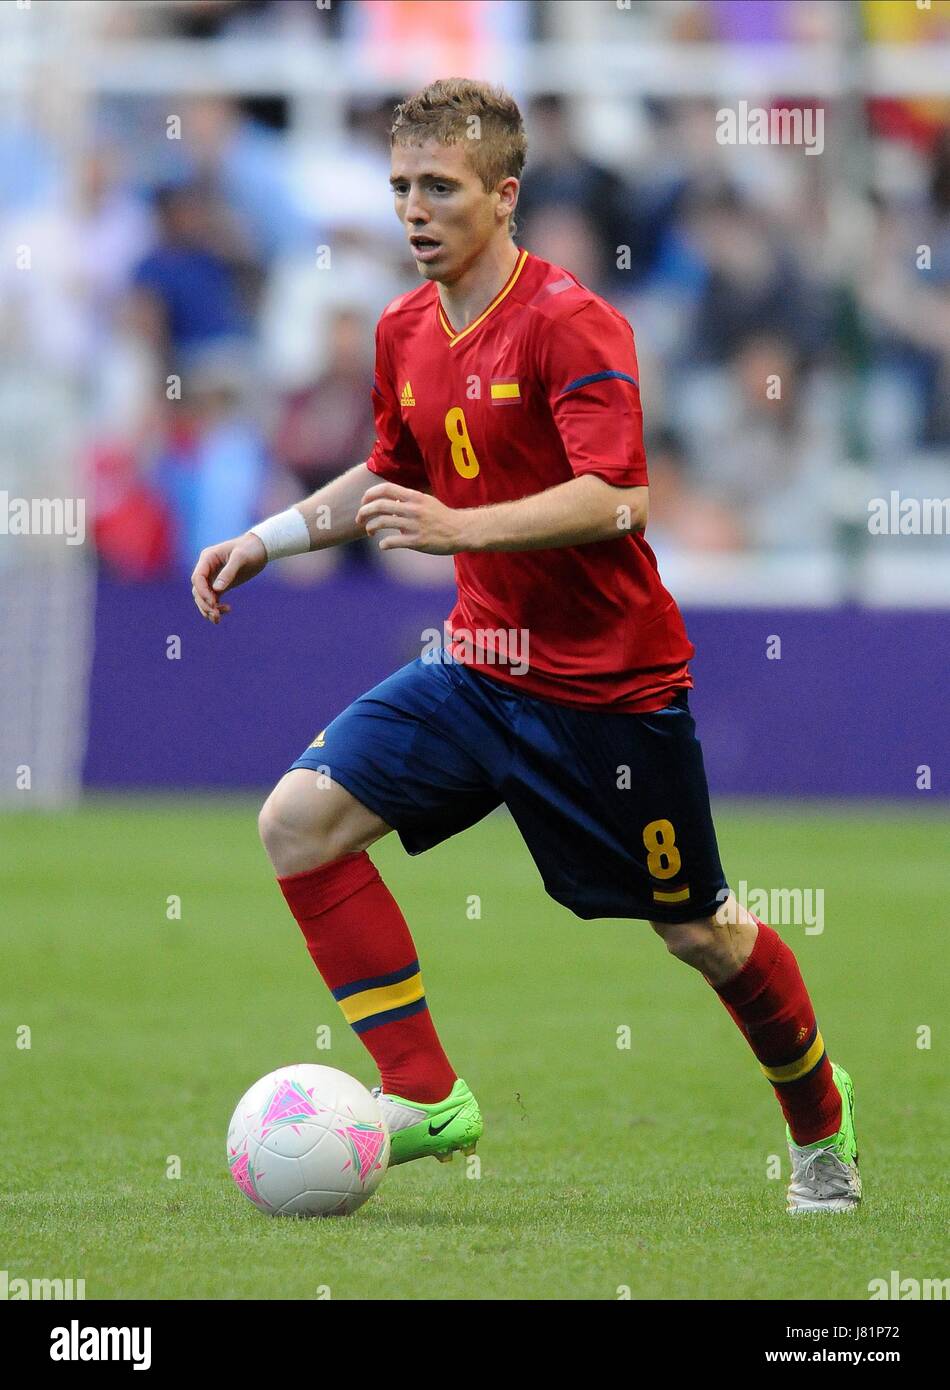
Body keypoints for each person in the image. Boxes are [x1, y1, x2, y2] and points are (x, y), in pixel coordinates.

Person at [191, 79, 860, 1214]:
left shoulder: (571, 323)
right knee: (297, 824)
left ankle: (818, 1128)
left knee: (699, 933)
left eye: (439, 188)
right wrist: (271, 537)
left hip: (608, 692)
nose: (413, 210)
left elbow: (619, 499)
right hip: (476, 664)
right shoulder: (403, 326)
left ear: (502, 195)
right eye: (400, 186)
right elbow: (396, 474)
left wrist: (461, 527)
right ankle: (427, 1095)